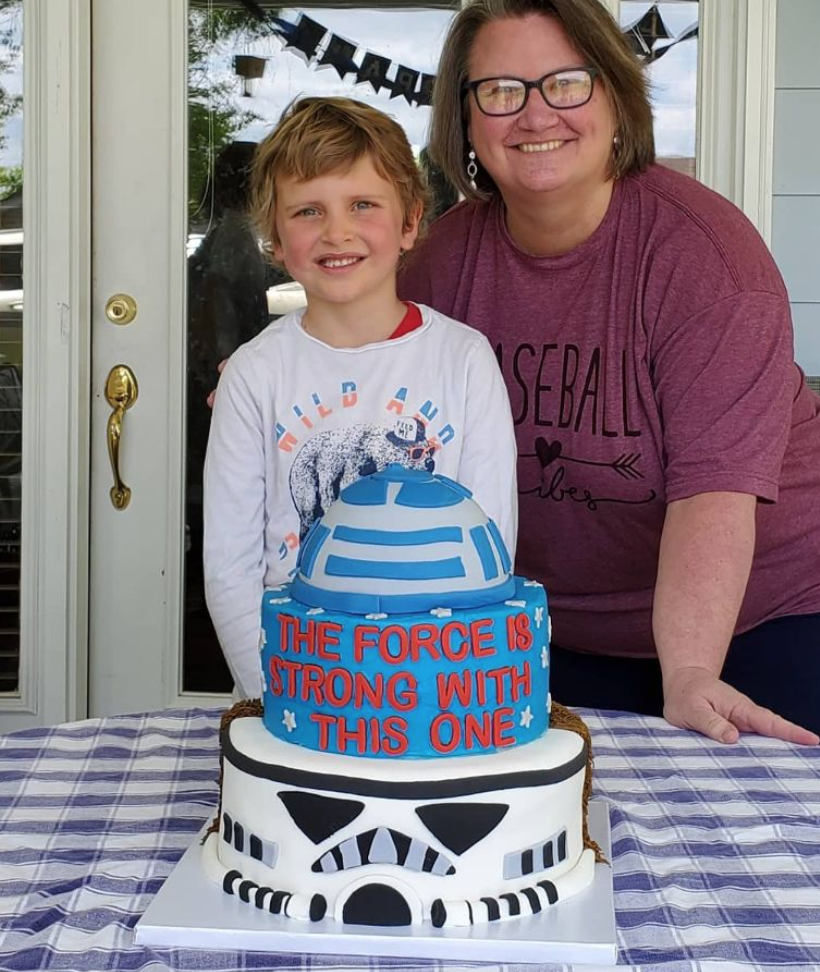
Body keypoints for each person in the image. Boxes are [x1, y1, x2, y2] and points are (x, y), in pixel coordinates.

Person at [397, 0, 820, 745]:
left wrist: (687, 671)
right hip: (541, 627)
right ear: (464, 122)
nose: (534, 115)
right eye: (500, 90)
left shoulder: (706, 262)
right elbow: (370, 370)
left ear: (618, 102)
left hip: (761, 615)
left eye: (565, 83)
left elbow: (713, 495)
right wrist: (292, 363)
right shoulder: (440, 261)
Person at [203, 97, 518, 698]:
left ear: (408, 223)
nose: (337, 232)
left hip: (436, 681)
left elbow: (489, 543)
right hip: (294, 680)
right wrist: (272, 693)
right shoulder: (253, 375)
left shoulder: (465, 360)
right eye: (307, 211)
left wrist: (445, 686)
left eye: (363, 205)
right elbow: (231, 565)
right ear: (274, 237)